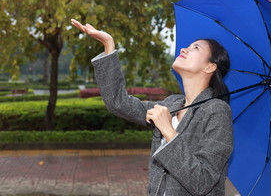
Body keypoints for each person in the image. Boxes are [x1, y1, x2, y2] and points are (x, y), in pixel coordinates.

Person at [71, 19, 234, 196]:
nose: (183, 49)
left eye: (196, 48)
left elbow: (203, 182)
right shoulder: (171, 104)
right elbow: (118, 102)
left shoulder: (217, 110)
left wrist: (169, 132)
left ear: (210, 66)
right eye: (188, 45)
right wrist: (109, 45)